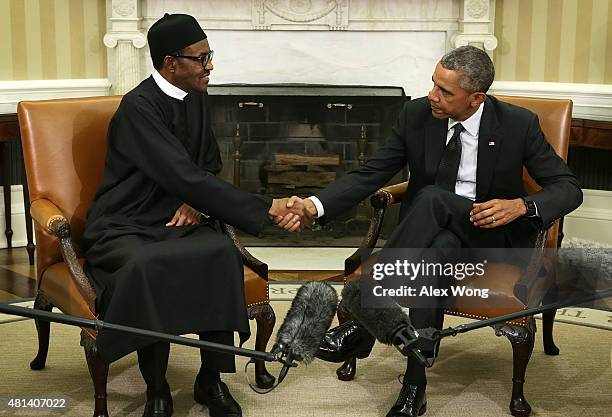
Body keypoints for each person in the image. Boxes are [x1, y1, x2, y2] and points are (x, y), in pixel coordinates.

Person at [277, 45, 582, 417]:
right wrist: (314, 205)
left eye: (445, 92)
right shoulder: (418, 114)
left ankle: (365, 313)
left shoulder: (517, 124)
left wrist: (521, 205)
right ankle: (414, 388)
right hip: (436, 236)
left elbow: (568, 188)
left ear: (476, 98)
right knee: (436, 249)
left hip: (491, 238)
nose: (432, 96)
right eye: (433, 84)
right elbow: (372, 172)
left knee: (433, 199)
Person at [82, 13, 311, 417]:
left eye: (210, 56)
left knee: (220, 252)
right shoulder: (138, 108)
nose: (210, 66)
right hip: (127, 223)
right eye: (202, 58)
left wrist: (197, 200)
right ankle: (157, 388)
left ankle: (211, 379)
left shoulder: (197, 95)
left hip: (179, 217)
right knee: (147, 267)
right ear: (172, 63)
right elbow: (180, 172)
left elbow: (206, 163)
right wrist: (267, 207)